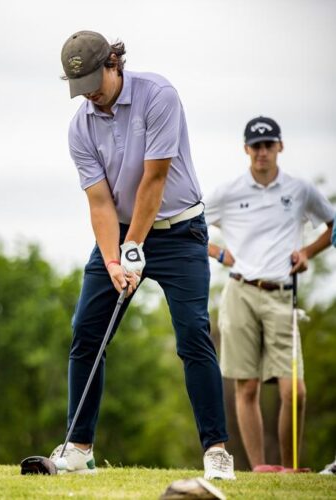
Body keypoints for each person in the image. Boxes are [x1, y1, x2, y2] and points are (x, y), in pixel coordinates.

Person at [51, 30, 235, 480]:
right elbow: (98, 202)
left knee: (193, 334)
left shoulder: (159, 95)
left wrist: (133, 246)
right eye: (82, 87)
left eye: (96, 79)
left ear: (115, 63)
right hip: (118, 234)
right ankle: (78, 448)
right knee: (87, 332)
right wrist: (114, 260)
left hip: (180, 230)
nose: (91, 93)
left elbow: (154, 180)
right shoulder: (80, 125)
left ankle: (216, 452)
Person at [204, 116, 335, 471]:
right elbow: (187, 224)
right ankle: (261, 467)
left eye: (269, 144)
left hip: (281, 295)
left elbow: (332, 225)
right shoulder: (229, 191)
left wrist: (308, 252)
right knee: (246, 388)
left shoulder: (300, 189)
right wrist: (217, 252)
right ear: (246, 149)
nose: (262, 152)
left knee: (295, 391)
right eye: (256, 146)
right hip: (240, 291)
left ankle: (290, 465)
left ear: (280, 147)